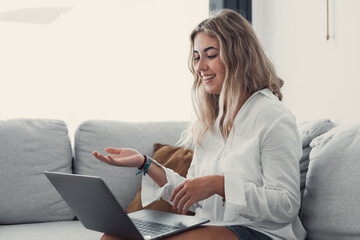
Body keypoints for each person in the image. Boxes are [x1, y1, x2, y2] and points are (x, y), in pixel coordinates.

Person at [92, 9, 307, 240]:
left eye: (210, 55)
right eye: (196, 57)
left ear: (238, 57)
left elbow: (287, 205)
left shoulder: (272, 116)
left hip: (260, 232)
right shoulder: (212, 120)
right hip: (212, 226)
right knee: (114, 237)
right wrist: (145, 164)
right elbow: (190, 192)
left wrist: (220, 185)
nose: (199, 66)